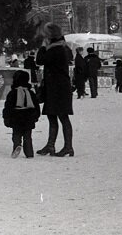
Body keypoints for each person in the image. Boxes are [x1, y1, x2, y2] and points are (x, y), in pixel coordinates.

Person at [35, 22, 74, 157]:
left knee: (61, 116)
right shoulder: (63, 47)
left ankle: (66, 146)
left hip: (57, 88)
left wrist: (42, 47)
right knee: (56, 115)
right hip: (59, 87)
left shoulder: (54, 49)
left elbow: (40, 60)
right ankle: (53, 145)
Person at [3, 69, 40, 158]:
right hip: (29, 117)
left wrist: (6, 118)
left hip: (16, 117)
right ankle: (29, 152)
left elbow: (8, 107)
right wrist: (36, 116)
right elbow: (36, 105)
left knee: (16, 134)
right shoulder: (30, 93)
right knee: (28, 136)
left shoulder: (12, 93)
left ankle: (17, 146)